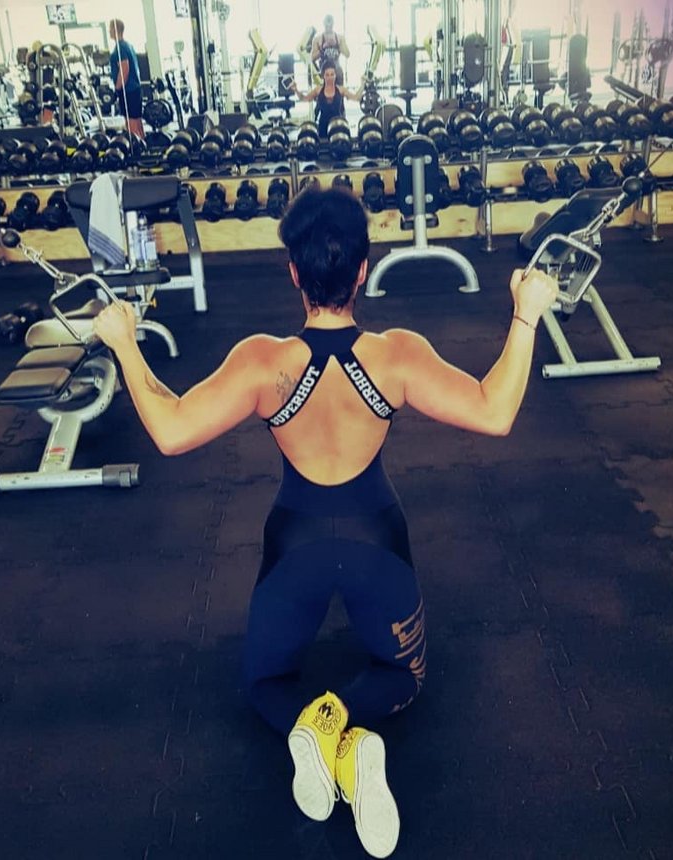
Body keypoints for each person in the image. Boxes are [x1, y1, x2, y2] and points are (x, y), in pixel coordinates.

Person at [92, 188, 559, 858]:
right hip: (378, 541)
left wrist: (123, 344)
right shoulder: (397, 355)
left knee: (263, 684)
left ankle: (315, 728)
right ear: (363, 269)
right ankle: (348, 728)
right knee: (402, 677)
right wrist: (526, 314)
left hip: (296, 544)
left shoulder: (262, 362)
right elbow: (495, 410)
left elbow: (169, 429)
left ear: (293, 272)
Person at [291, 59, 364, 139]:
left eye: (332, 74)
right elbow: (304, 98)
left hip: (337, 126)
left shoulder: (341, 89)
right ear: (323, 76)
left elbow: (356, 98)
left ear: (335, 75)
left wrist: (362, 84)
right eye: (327, 75)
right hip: (323, 126)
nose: (330, 77)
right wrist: (296, 90)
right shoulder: (318, 90)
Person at [108, 18, 144, 141]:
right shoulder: (128, 45)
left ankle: (136, 147)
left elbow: (124, 70)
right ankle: (143, 145)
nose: (109, 31)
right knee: (137, 121)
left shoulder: (120, 48)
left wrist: (117, 89)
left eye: (110, 28)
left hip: (128, 90)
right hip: (135, 89)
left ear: (115, 29)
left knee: (131, 124)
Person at [311, 14, 350, 85]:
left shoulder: (340, 38)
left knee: (339, 74)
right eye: (327, 25)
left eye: (330, 24)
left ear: (333, 24)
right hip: (323, 70)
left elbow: (347, 54)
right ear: (323, 23)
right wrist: (323, 47)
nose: (328, 26)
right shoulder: (317, 39)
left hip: (337, 70)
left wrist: (338, 45)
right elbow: (312, 58)